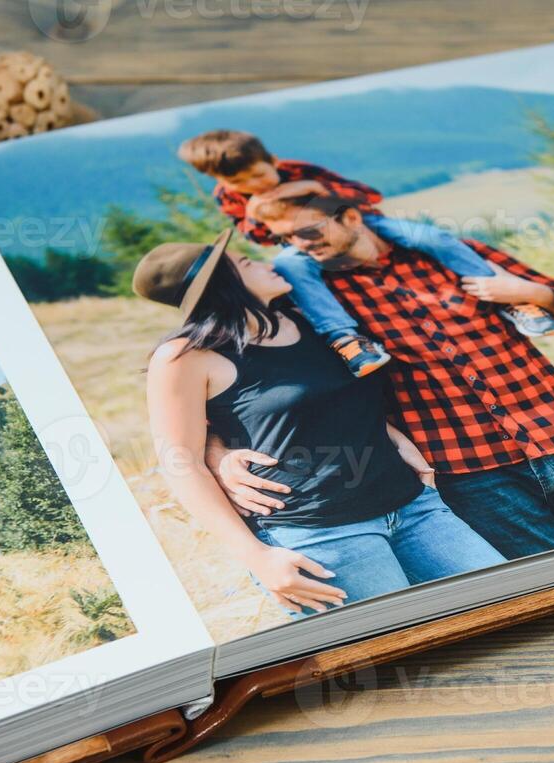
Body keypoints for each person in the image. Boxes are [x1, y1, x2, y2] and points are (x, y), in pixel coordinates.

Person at [208, 191, 554, 562]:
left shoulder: (452, 255)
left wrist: (530, 291)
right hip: (470, 476)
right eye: (287, 241)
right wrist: (219, 453)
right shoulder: (310, 303)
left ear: (351, 217)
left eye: (310, 231)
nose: (301, 247)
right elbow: (247, 379)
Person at [135, 228, 504, 617]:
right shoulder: (184, 358)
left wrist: (393, 436)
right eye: (246, 263)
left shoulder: (309, 320)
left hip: (414, 508)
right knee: (399, 657)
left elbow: (336, 401)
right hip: (319, 535)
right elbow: (181, 464)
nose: (264, 264)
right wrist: (257, 556)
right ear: (223, 285)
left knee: (511, 603)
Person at [177, 129, 554, 379]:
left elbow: (369, 197)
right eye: (237, 182)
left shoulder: (301, 170)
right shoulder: (231, 199)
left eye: (257, 176)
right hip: (300, 245)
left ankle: (510, 299)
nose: (251, 186)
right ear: (220, 182)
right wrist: (255, 211)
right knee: (289, 266)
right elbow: (261, 236)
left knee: (430, 237)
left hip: (363, 225)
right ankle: (347, 339)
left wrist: (315, 188)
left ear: (273, 161)